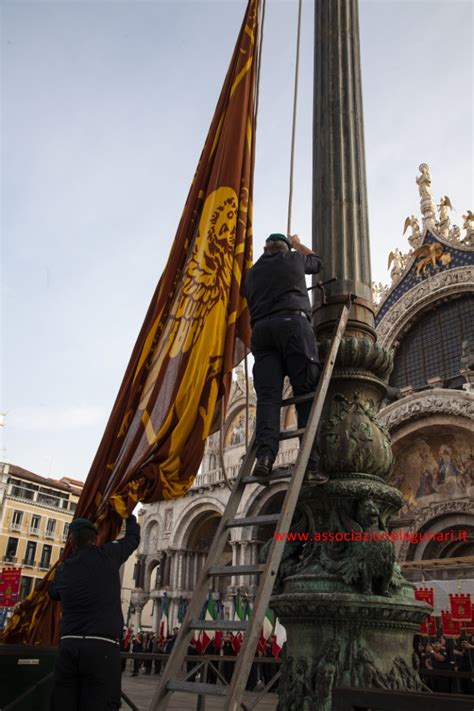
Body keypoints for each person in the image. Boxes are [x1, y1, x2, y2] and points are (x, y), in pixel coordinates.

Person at [243, 232, 327, 482]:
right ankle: (311, 465)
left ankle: (265, 458)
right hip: (292, 326)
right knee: (305, 393)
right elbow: (317, 262)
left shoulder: (251, 274)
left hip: (261, 333)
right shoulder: (293, 259)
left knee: (268, 399)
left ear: (265, 249)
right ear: (285, 248)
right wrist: (298, 243)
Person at [48, 515, 140, 710]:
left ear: (71, 542)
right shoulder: (109, 554)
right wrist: (130, 518)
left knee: (64, 702)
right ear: (96, 539)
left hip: (69, 645)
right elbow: (133, 539)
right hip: (102, 647)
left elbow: (53, 592)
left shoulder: (64, 568)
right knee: (101, 703)